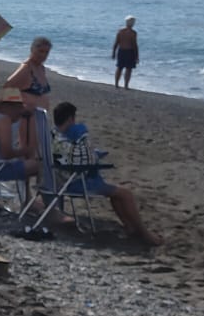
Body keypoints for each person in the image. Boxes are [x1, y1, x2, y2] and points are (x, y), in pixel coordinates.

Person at [53, 101, 160, 244]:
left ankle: (130, 228)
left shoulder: (53, 137)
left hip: (58, 182)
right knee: (125, 194)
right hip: (76, 183)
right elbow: (86, 160)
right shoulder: (72, 140)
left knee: (116, 195)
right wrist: (96, 156)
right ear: (71, 119)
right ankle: (145, 234)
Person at [4, 36, 55, 106]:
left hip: (40, 114)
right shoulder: (26, 68)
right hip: (26, 114)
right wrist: (19, 107)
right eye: (40, 51)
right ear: (32, 49)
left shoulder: (41, 68)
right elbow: (8, 86)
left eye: (46, 52)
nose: (43, 55)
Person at [111, 16, 140, 88]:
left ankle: (116, 84)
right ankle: (126, 85)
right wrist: (137, 56)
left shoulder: (120, 31)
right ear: (132, 23)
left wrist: (114, 52)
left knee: (119, 67)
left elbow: (116, 43)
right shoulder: (133, 33)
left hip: (121, 51)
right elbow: (135, 45)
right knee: (128, 69)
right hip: (129, 51)